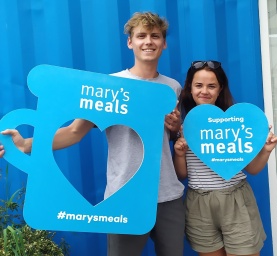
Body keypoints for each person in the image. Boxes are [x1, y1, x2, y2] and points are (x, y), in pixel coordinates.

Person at [0, 12, 185, 256]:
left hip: (168, 195)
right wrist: (26, 145)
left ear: (164, 43)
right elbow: (74, 132)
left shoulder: (172, 87)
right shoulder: (108, 86)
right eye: (141, 36)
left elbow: (166, 140)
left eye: (155, 36)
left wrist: (174, 127)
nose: (148, 41)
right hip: (123, 196)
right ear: (130, 42)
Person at [173, 60, 277, 256]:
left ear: (220, 89)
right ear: (190, 88)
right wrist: (179, 154)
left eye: (211, 86)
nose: (204, 90)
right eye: (199, 85)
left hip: (236, 201)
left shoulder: (234, 125)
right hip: (198, 204)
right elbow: (182, 174)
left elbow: (253, 169)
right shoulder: (184, 127)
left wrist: (266, 150)